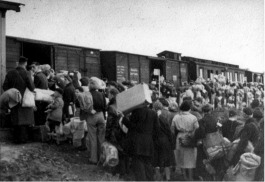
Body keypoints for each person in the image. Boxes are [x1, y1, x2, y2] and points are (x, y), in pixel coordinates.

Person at [122, 105, 160, 181]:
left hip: (137, 141)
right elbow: (157, 128)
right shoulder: (153, 113)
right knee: (148, 164)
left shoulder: (136, 112)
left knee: (138, 165)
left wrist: (124, 119)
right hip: (148, 141)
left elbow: (132, 126)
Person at [3, 56, 35, 143]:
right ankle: (23, 139)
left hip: (13, 99)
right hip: (24, 100)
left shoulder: (10, 73)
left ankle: (16, 139)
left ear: (18, 63)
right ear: (25, 63)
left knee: (15, 119)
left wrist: (12, 93)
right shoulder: (27, 73)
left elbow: (4, 87)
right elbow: (32, 87)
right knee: (24, 120)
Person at [171, 101, 199, 181]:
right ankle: (190, 177)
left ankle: (184, 176)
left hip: (180, 136)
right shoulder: (193, 117)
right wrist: (191, 134)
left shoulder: (176, 117)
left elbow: (172, 129)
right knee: (190, 158)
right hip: (190, 137)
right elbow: (196, 129)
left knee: (181, 157)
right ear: (189, 108)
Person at [105, 88, 129, 176]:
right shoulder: (122, 104)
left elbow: (109, 123)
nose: (107, 95)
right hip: (123, 131)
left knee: (116, 151)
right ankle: (125, 171)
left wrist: (107, 135)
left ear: (112, 95)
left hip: (115, 132)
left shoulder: (111, 107)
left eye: (108, 94)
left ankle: (117, 171)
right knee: (123, 151)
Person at [86, 79, 106, 164]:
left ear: (89, 86)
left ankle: (93, 159)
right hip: (101, 115)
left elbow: (84, 106)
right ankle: (102, 158)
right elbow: (105, 106)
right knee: (101, 138)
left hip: (92, 116)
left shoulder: (87, 94)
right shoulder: (102, 94)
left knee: (92, 138)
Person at [153, 100, 174, 181]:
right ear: (161, 108)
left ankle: (158, 178)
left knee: (156, 161)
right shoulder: (163, 118)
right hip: (165, 141)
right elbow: (169, 131)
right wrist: (171, 142)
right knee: (166, 162)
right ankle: (167, 178)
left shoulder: (152, 117)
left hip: (155, 141)